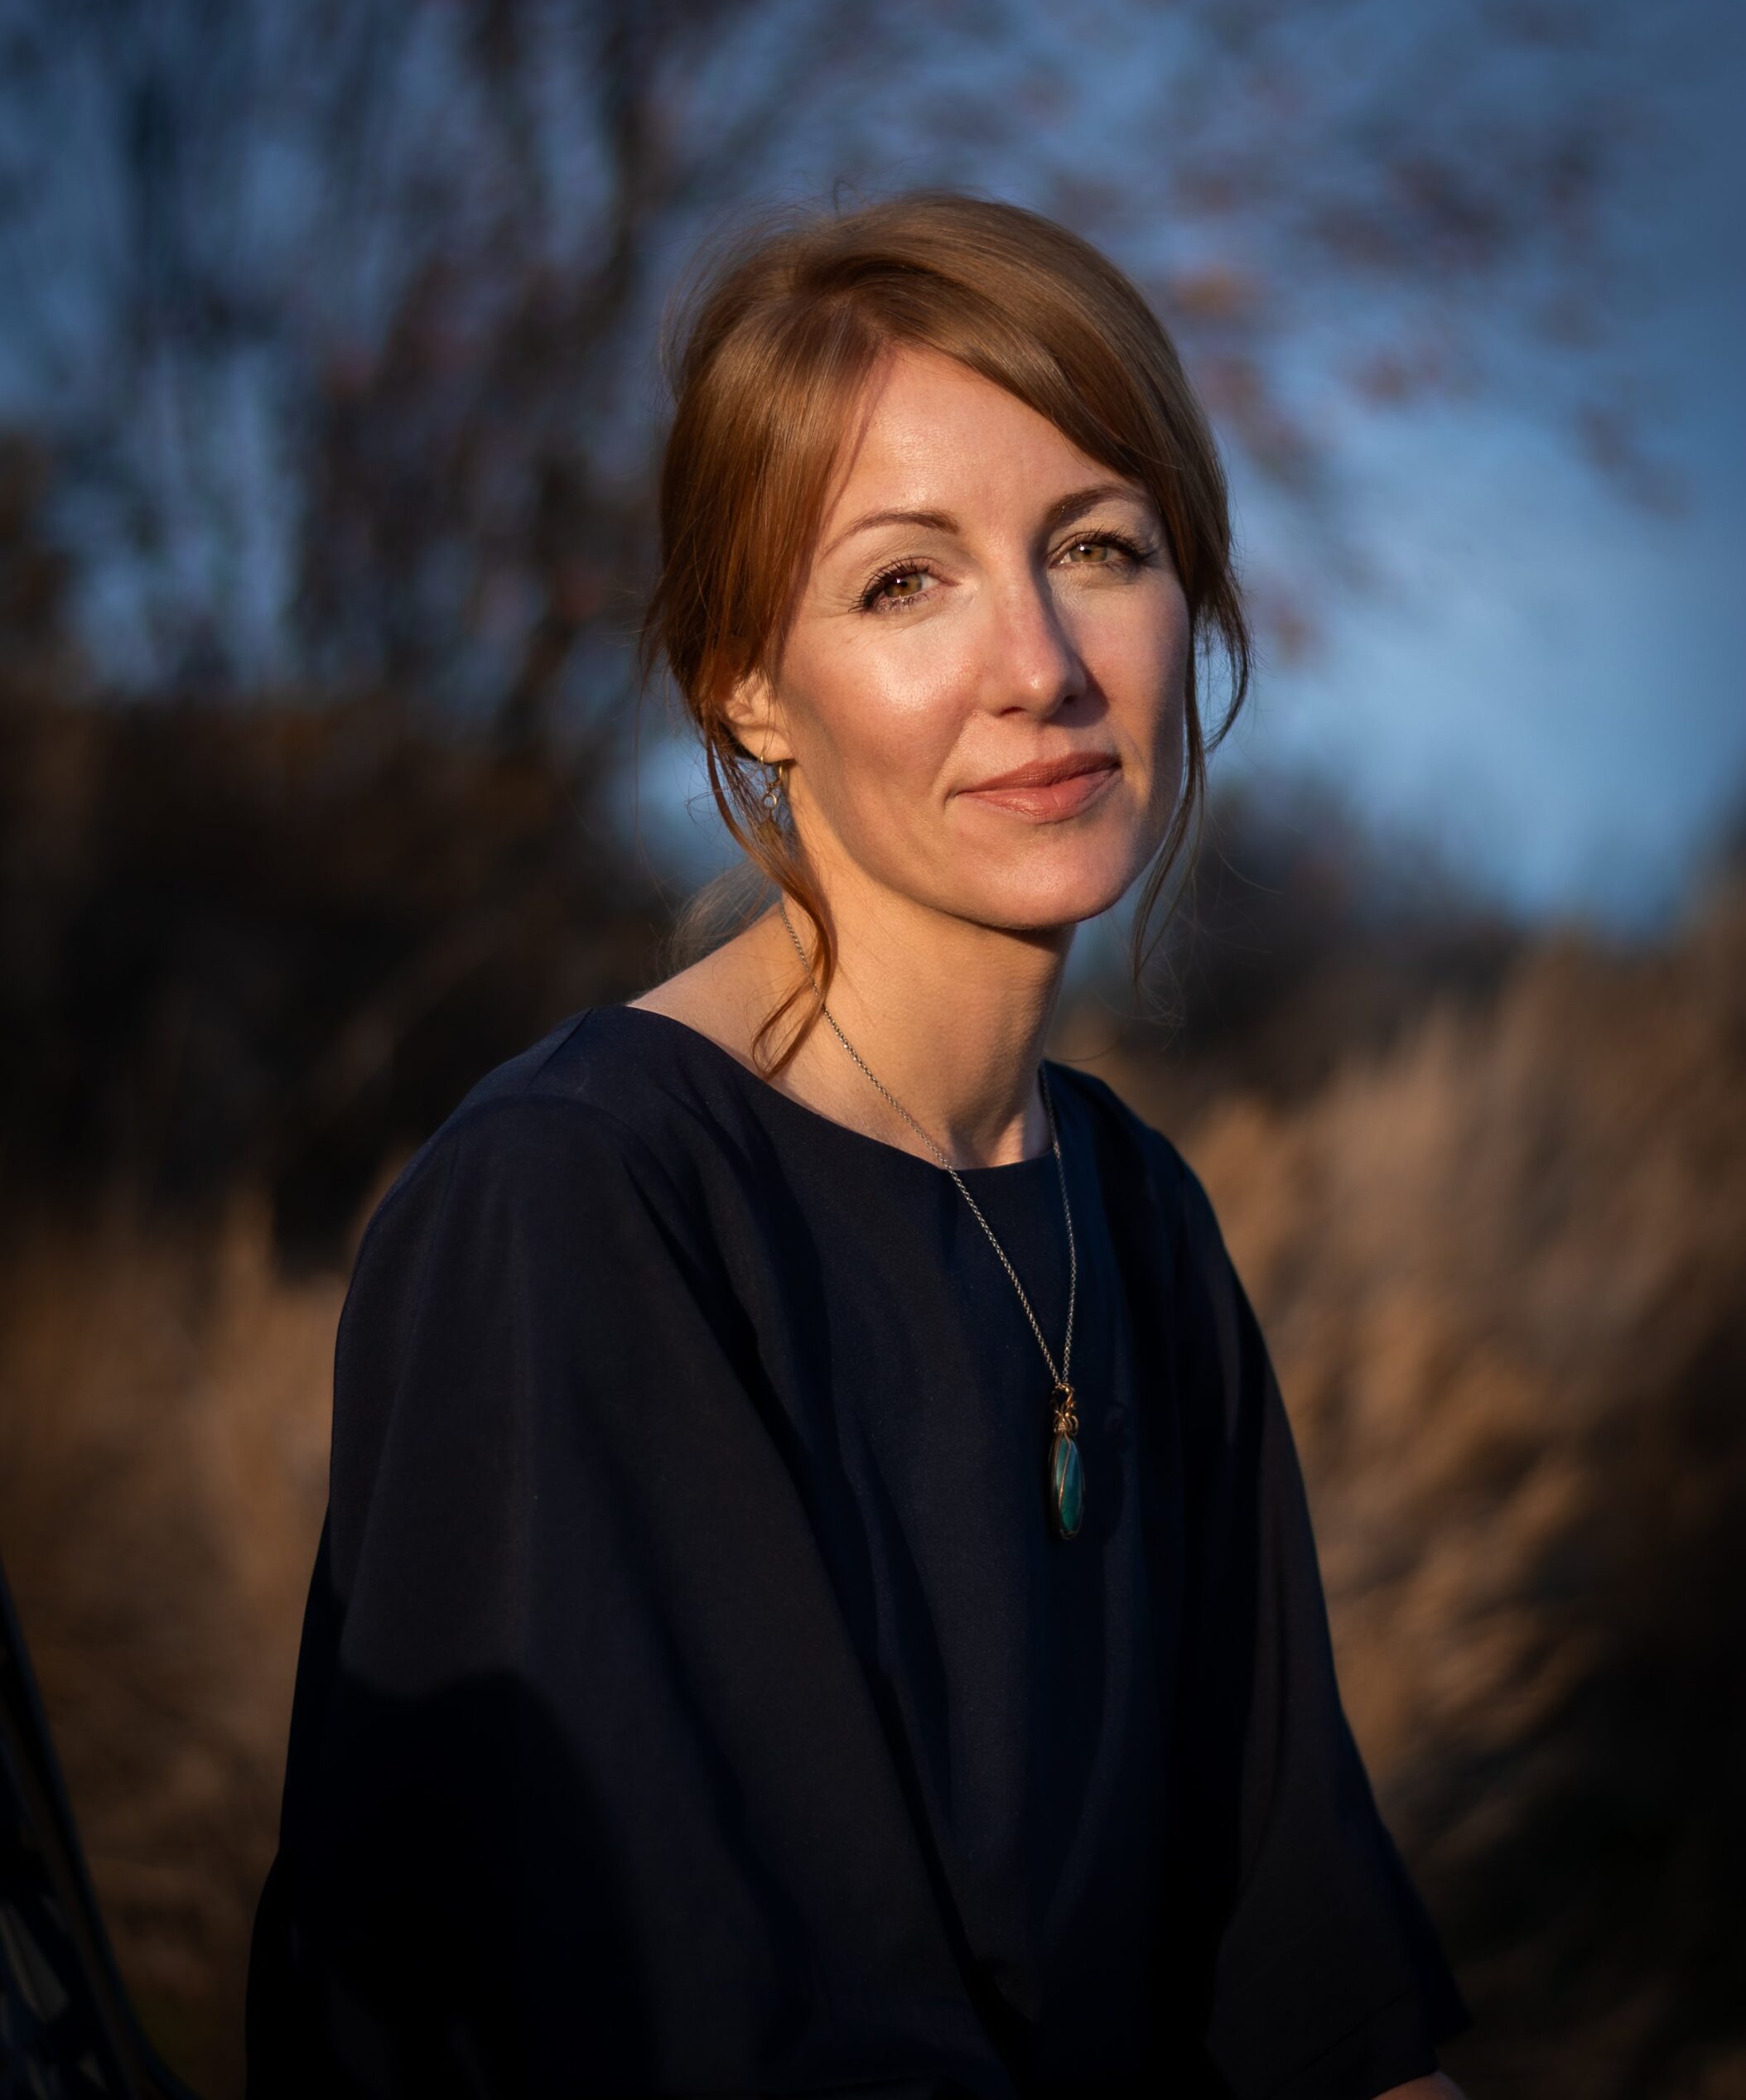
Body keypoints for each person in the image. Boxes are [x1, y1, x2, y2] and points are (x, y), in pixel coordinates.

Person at [246, 192, 1474, 2098]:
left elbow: (1304, 1983)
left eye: (1097, 545)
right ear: (746, 680)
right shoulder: (578, 1208)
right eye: (906, 580)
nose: (1042, 664)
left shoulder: (1135, 1217)